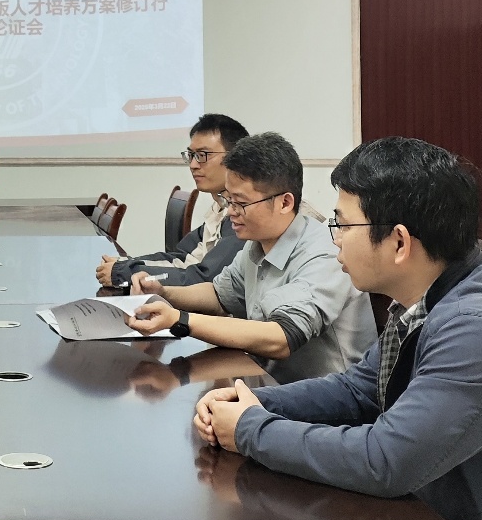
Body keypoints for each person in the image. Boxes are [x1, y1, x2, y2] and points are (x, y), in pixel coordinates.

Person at [194, 137, 482, 520]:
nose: (334, 240)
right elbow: (359, 390)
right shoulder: (429, 301)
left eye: (342, 225)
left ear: (400, 242)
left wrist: (250, 429)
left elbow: (385, 461)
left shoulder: (479, 329)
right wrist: (256, 402)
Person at [127, 132, 376, 383]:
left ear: (285, 203)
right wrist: (164, 293)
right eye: (228, 200)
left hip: (327, 396)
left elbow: (281, 337)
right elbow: (220, 295)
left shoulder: (323, 253)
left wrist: (180, 320)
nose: (230, 212)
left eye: (241, 203)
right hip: (270, 383)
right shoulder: (257, 243)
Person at [96, 113, 248, 289]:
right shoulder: (220, 207)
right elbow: (181, 258)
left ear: (235, 157)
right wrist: (126, 264)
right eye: (191, 155)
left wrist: (124, 273)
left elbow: (204, 278)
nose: (193, 165)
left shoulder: (242, 215)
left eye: (203, 155)